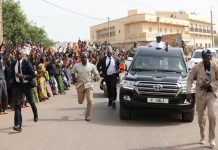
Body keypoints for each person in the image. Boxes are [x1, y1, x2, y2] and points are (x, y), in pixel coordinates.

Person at [187, 49, 218, 149]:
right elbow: (190, 79)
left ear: (210, 57)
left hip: (211, 94)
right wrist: (189, 92)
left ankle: (212, 139)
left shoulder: (215, 66)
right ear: (202, 57)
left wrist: (211, 85)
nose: (206, 58)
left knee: (212, 115)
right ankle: (202, 135)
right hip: (200, 94)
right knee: (201, 118)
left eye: (207, 56)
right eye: (204, 56)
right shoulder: (197, 67)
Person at [10, 49, 38, 132]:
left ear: (22, 55)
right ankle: (18, 125)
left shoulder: (26, 63)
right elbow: (11, 73)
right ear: (15, 55)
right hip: (18, 86)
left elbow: (33, 75)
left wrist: (23, 76)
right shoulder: (13, 63)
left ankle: (35, 113)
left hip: (26, 85)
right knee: (17, 105)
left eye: (19, 54)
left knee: (31, 101)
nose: (18, 55)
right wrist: (11, 79)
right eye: (17, 54)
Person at [72, 52, 100, 121]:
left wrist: (97, 77)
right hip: (80, 84)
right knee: (80, 102)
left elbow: (96, 74)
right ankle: (83, 97)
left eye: (85, 57)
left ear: (87, 58)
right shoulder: (76, 66)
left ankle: (87, 116)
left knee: (90, 100)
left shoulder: (92, 66)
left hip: (89, 84)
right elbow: (73, 73)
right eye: (82, 57)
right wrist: (74, 79)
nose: (84, 59)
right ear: (80, 58)